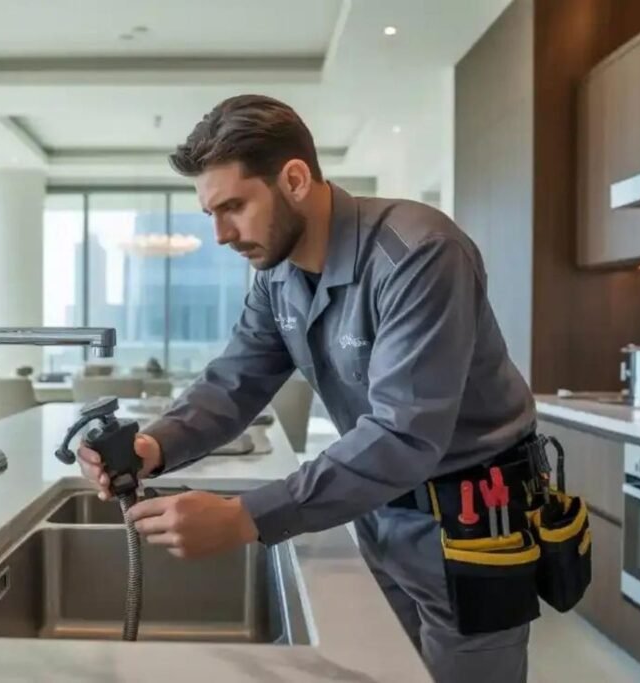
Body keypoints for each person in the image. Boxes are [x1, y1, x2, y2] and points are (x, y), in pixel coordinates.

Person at [77, 94, 540, 683]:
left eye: (235, 206)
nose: (220, 234)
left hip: (470, 519)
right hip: (374, 509)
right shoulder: (277, 277)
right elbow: (236, 381)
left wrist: (247, 516)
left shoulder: (420, 253)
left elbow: (403, 434)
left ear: (294, 178)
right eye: (210, 214)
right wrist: (156, 445)